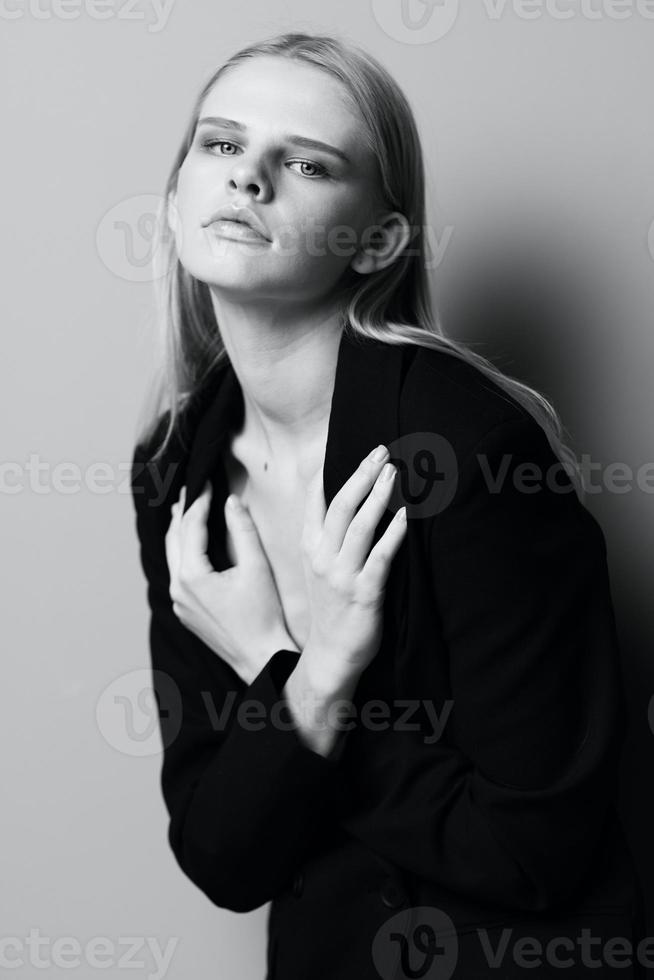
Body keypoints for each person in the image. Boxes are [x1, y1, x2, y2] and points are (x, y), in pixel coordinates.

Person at [130, 31, 646, 979]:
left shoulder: (465, 451)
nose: (248, 178)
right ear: (173, 201)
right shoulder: (176, 468)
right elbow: (222, 854)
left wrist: (284, 670)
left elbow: (534, 849)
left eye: (307, 162)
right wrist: (312, 679)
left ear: (379, 239)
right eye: (220, 145)